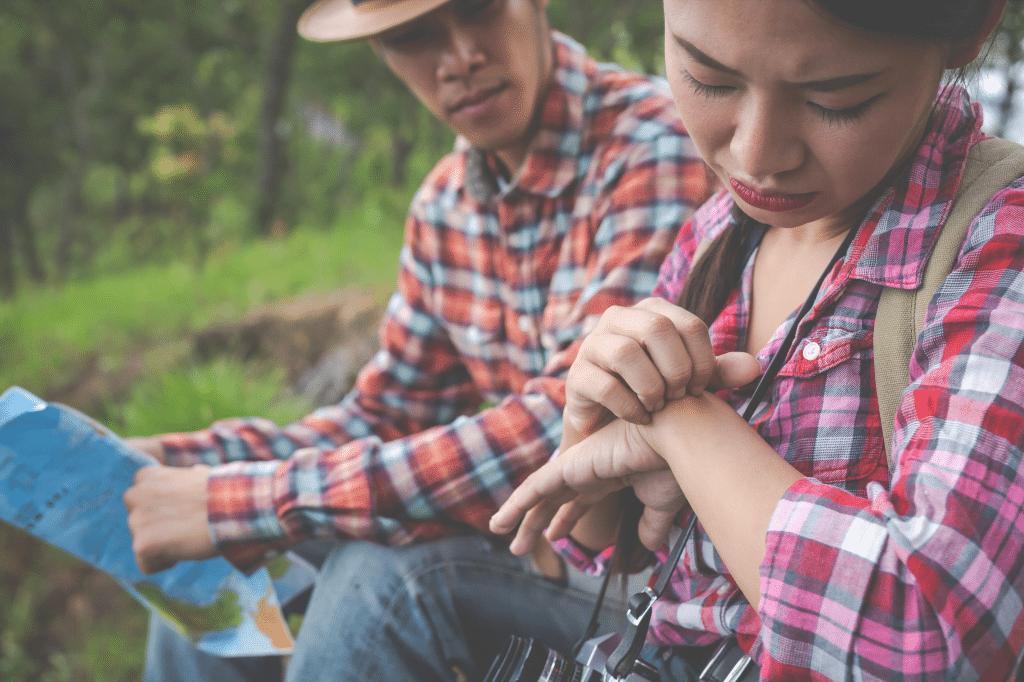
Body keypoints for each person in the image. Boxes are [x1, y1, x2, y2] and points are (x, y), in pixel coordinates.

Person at [124, 0, 716, 680]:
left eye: (478, 11)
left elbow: (568, 421)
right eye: (414, 37)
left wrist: (246, 503)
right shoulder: (444, 206)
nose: (459, 58)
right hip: (528, 542)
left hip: (648, 583)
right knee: (207, 565)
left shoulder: (652, 146)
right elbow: (383, 414)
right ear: (383, 53)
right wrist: (182, 463)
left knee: (384, 574)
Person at [491, 0, 1024, 680]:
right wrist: (595, 420)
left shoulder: (995, 246)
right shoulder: (721, 232)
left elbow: (933, 640)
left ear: (969, 31)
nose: (756, 154)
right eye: (709, 78)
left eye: (837, 100)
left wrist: (683, 421)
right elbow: (615, 549)